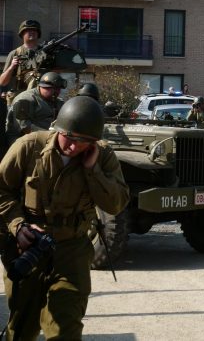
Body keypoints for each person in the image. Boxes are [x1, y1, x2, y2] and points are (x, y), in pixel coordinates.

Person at [0, 95, 130, 340]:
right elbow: (2, 189)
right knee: (21, 328)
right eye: (69, 138)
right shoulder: (29, 146)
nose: (73, 146)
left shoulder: (103, 156)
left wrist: (94, 170)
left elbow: (116, 204)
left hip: (72, 251)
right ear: (58, 129)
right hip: (27, 248)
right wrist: (17, 225)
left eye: (83, 141)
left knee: (65, 328)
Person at [6, 71, 66, 145]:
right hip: (22, 141)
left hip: (47, 138)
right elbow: (25, 127)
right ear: (42, 86)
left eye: (58, 89)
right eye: (53, 89)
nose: (57, 92)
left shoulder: (56, 101)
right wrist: (51, 136)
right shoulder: (25, 100)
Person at [0, 20, 43, 96]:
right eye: (28, 30)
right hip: (20, 97)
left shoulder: (45, 53)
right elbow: (3, 82)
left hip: (41, 97)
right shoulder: (15, 53)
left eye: (34, 30)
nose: (32, 32)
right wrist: (12, 66)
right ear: (22, 33)